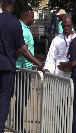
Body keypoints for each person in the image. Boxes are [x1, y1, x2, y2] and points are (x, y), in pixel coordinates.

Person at [0, 0, 43, 133]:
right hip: (8, 67)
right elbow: (22, 49)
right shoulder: (15, 24)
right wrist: (39, 63)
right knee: (4, 99)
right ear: (12, 5)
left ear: (1, 3)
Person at [15, 5, 35, 132]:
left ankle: (18, 125)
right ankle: (18, 126)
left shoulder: (24, 28)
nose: (34, 19)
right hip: (22, 70)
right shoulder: (21, 29)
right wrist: (38, 63)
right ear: (26, 16)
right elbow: (23, 50)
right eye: (32, 17)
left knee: (22, 100)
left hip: (25, 69)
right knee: (21, 100)